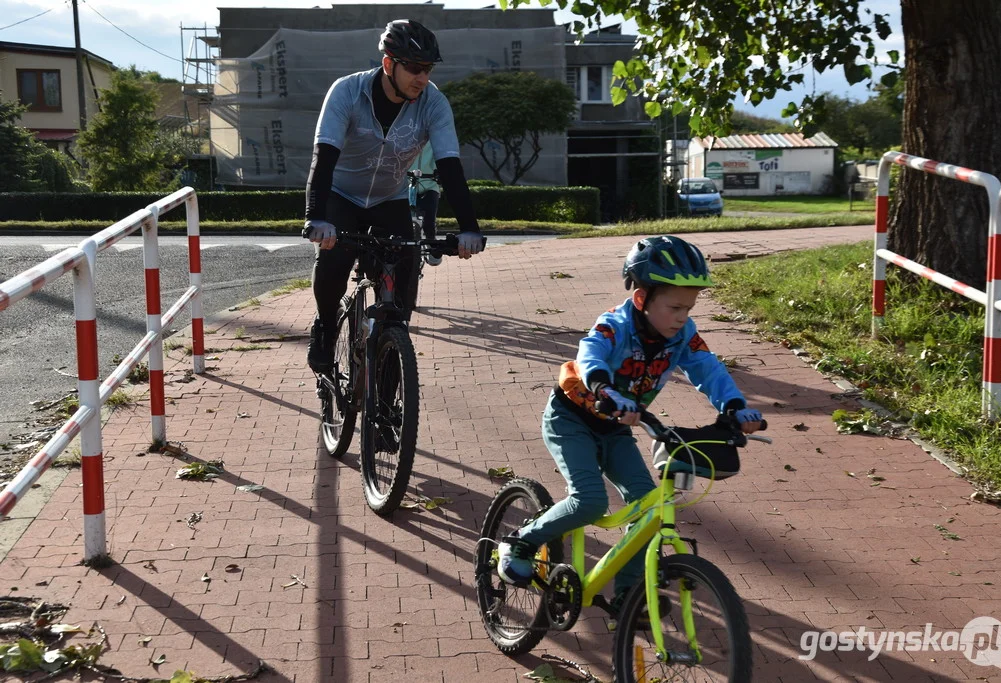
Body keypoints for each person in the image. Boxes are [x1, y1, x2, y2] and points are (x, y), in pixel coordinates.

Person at [497, 236, 764, 615]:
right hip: (571, 419)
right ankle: (521, 542)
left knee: (644, 508)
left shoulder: (682, 334)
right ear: (641, 299)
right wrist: (603, 387)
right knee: (589, 501)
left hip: (616, 429)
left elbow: (708, 368)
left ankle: (628, 593)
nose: (682, 317)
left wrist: (735, 406)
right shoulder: (614, 325)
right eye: (674, 307)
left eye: (688, 307)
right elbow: (590, 353)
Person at [303, 19, 485, 372]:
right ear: (389, 64)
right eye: (414, 68)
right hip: (341, 195)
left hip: (390, 199)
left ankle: (391, 357)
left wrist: (469, 229)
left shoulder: (434, 103)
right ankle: (325, 326)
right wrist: (316, 218)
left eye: (427, 69)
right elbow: (323, 158)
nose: (422, 78)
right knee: (335, 263)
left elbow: (450, 167)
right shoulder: (346, 93)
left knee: (403, 280)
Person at [409, 141, 443, 267]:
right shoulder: (406, 134)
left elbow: (442, 156)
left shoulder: (435, 138)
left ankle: (431, 242)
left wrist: (441, 171)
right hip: (405, 182)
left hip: (430, 183)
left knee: (429, 222)